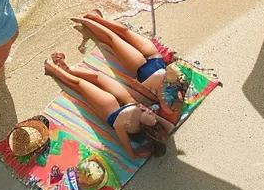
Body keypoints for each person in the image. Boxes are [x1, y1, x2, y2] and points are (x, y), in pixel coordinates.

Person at [42, 52, 173, 158]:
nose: (150, 111)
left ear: (144, 126)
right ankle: (69, 69)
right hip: (129, 103)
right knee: (98, 77)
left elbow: (123, 139)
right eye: (151, 112)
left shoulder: (129, 118)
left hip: (112, 111)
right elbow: (169, 126)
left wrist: (132, 154)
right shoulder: (145, 119)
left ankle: (52, 69)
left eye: (149, 114)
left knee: (79, 85)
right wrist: (159, 126)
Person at [71, 10, 185, 119]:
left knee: (113, 40)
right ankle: (97, 19)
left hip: (140, 66)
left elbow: (148, 87)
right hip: (155, 55)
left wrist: (159, 89)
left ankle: (88, 22)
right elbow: (171, 71)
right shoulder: (179, 88)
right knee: (124, 31)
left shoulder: (159, 103)